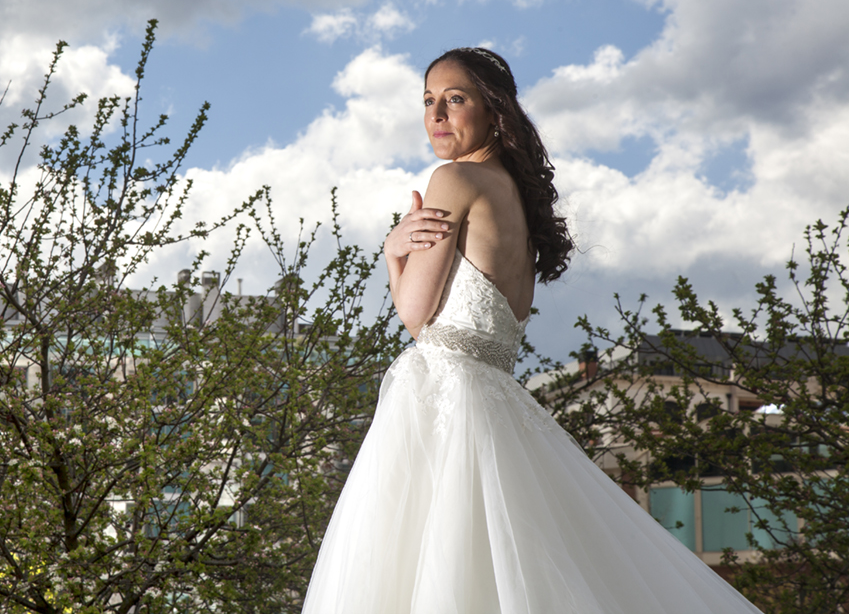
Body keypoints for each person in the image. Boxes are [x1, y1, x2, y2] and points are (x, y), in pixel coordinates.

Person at [300, 47, 763, 613]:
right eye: (428, 101)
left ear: (495, 112)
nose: (437, 115)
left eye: (455, 99)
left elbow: (417, 314)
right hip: (493, 400)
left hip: (443, 400)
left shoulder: (455, 179)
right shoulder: (513, 200)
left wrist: (393, 252)